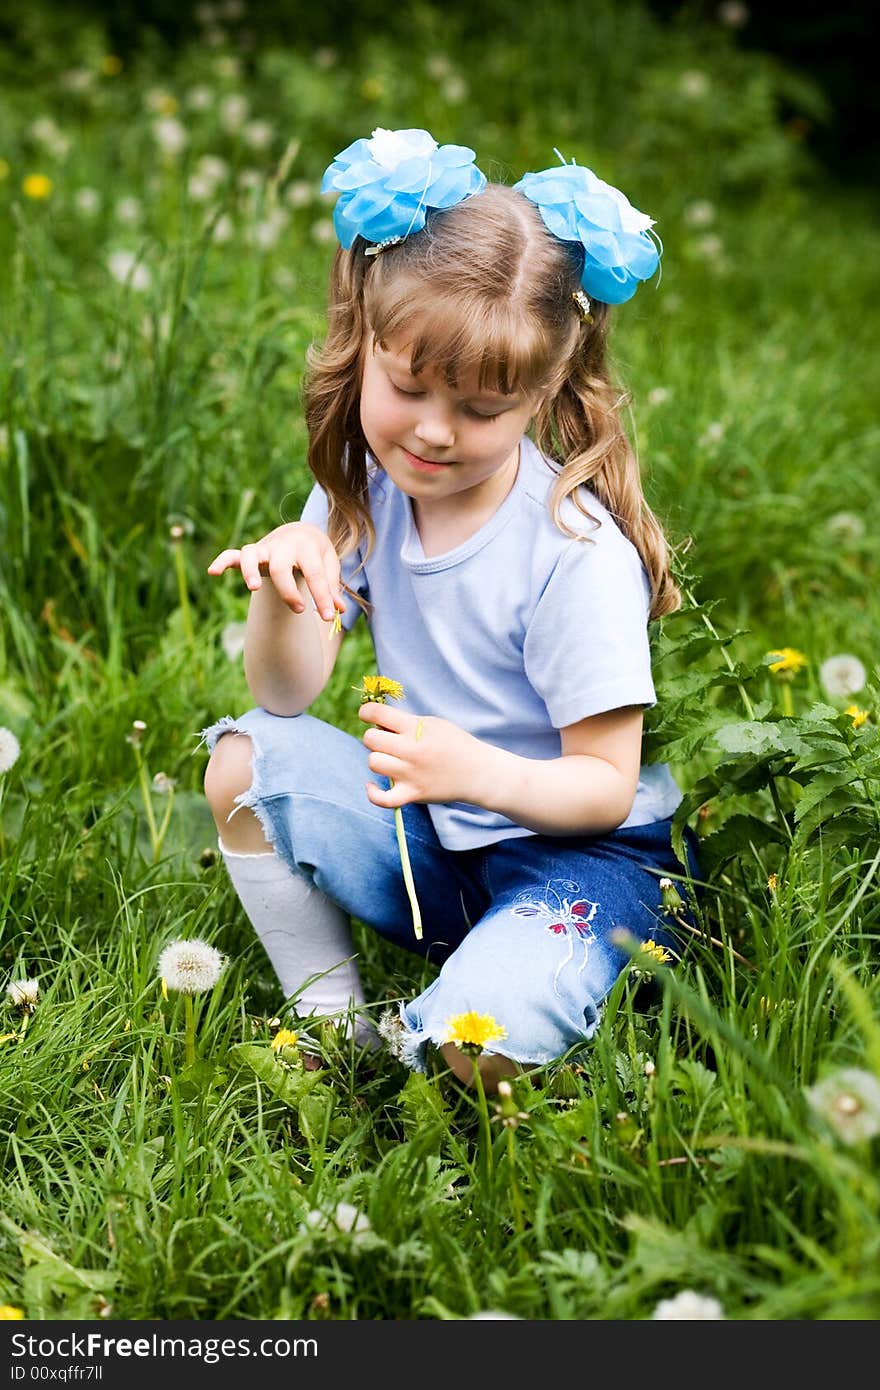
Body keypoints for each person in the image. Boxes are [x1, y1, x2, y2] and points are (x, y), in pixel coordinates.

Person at [200, 127, 699, 1092]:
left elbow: (603, 784)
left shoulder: (573, 552)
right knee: (247, 760)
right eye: (409, 387)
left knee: (467, 1047)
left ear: (544, 391)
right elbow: (286, 692)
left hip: (584, 861)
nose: (433, 431)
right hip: (435, 837)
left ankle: (470, 1010)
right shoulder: (365, 489)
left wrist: (471, 769)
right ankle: (331, 1022)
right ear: (366, 347)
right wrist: (285, 581)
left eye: (480, 410)